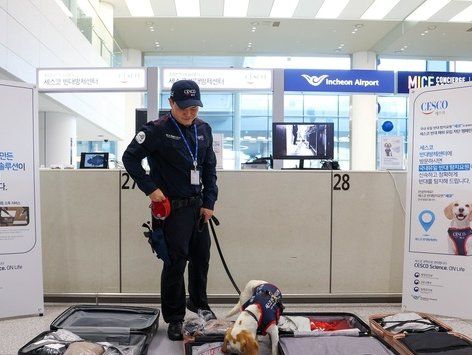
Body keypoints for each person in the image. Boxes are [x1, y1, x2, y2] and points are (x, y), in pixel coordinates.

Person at [122, 80, 218, 341]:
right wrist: (150, 188)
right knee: (175, 263)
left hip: (197, 208)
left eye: (195, 107)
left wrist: (209, 202)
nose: (190, 113)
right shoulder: (156, 130)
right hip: (170, 209)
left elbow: (210, 169)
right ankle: (175, 318)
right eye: (184, 107)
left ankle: (198, 304)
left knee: (201, 258)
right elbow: (129, 158)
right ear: (172, 103)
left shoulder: (203, 129)